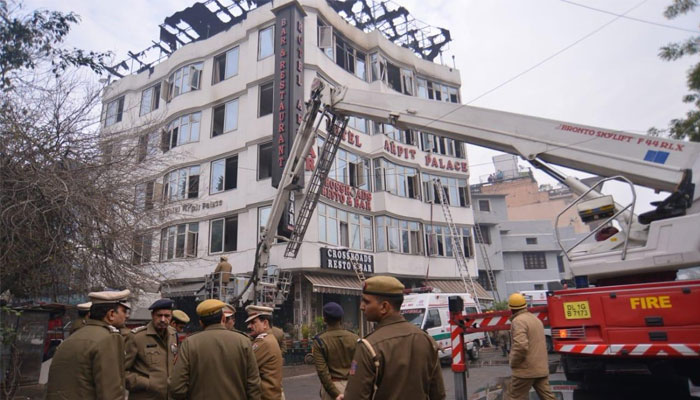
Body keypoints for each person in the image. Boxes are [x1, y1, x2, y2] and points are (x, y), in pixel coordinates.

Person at [344, 276, 445, 400]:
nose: (361, 306)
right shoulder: (426, 340)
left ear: (384, 307)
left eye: (367, 302)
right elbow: (438, 394)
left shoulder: (368, 347)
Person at [46, 289, 131, 400]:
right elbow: (110, 392)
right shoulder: (108, 338)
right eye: (124, 311)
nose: (126, 316)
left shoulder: (72, 337)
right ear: (111, 314)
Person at [169, 299, 261, 400]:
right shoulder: (244, 341)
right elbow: (253, 384)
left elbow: (177, 387)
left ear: (201, 323)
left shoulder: (190, 343)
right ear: (223, 318)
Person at [125, 298, 179, 400]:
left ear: (171, 317)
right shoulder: (137, 337)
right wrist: (146, 383)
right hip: (145, 396)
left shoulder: (173, 334)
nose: (163, 319)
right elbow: (121, 371)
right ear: (152, 316)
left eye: (167, 316)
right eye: (159, 315)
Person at [507, 293, 556, 400]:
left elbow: (521, 346)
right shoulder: (535, 319)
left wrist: (513, 362)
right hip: (540, 369)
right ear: (525, 305)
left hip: (525, 371)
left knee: (515, 397)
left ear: (511, 308)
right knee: (548, 397)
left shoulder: (518, 321)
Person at [312, 302, 359, 400]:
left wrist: (335, 393)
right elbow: (356, 363)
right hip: (352, 386)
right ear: (341, 318)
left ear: (324, 319)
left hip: (332, 388)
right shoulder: (354, 338)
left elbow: (322, 372)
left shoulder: (320, 341)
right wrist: (353, 377)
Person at [246, 305, 283, 400]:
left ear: (265, 323)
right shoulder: (268, 339)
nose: (249, 326)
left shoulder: (264, 343)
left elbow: (245, 366)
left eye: (253, 322)